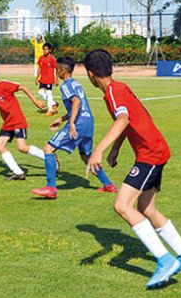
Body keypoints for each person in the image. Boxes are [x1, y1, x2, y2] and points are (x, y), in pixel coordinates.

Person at [83, 49, 181, 289]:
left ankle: (165, 260)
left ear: (90, 74)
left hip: (150, 154)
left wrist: (100, 150)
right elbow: (131, 119)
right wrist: (116, 148)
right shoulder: (120, 88)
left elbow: (123, 120)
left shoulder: (113, 93)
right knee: (146, 207)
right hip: (158, 149)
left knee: (122, 205)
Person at [31, 56, 117, 199]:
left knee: (48, 149)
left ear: (63, 71)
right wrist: (61, 119)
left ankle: (51, 187)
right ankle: (108, 184)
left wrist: (71, 124)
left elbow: (76, 102)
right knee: (86, 156)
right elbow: (77, 105)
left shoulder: (65, 86)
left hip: (78, 123)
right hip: (88, 122)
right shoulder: (76, 83)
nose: (56, 72)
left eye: (57, 69)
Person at [0, 62, 47, 180]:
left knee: (22, 148)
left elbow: (22, 87)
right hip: (8, 123)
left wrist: (36, 102)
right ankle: (19, 173)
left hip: (17, 120)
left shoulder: (4, 85)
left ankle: (49, 157)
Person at [36, 42, 59, 115]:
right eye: (44, 49)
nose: (45, 51)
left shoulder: (52, 59)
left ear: (49, 50)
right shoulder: (41, 58)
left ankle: (50, 110)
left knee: (49, 94)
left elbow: (56, 69)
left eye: (46, 49)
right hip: (42, 79)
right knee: (40, 92)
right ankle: (53, 103)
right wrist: (37, 78)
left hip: (49, 79)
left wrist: (56, 79)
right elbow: (39, 68)